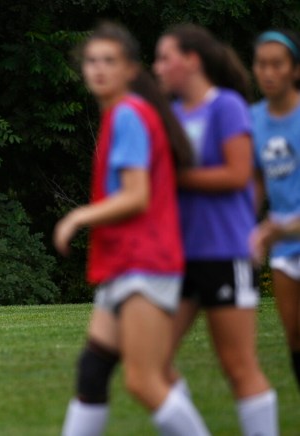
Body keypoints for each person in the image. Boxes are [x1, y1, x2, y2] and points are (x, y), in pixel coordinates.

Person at [55, 22, 209, 435]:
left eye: (109, 61)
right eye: (91, 61)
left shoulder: (127, 114)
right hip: (126, 260)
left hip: (145, 261)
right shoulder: (122, 114)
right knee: (94, 370)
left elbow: (137, 195)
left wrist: (78, 216)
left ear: (129, 70)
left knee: (144, 381)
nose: (98, 69)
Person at [154, 24, 278, 435]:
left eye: (164, 57)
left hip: (224, 251)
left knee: (239, 366)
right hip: (180, 256)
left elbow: (238, 173)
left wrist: (174, 178)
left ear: (191, 61)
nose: (157, 67)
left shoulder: (226, 106)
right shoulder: (170, 113)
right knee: (154, 364)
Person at [250, 29, 300, 392]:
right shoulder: (253, 120)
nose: (268, 72)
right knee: (295, 339)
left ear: (294, 70)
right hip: (284, 248)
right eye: (261, 64)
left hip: (287, 231)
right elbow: (254, 184)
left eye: (277, 64)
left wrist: (278, 229)